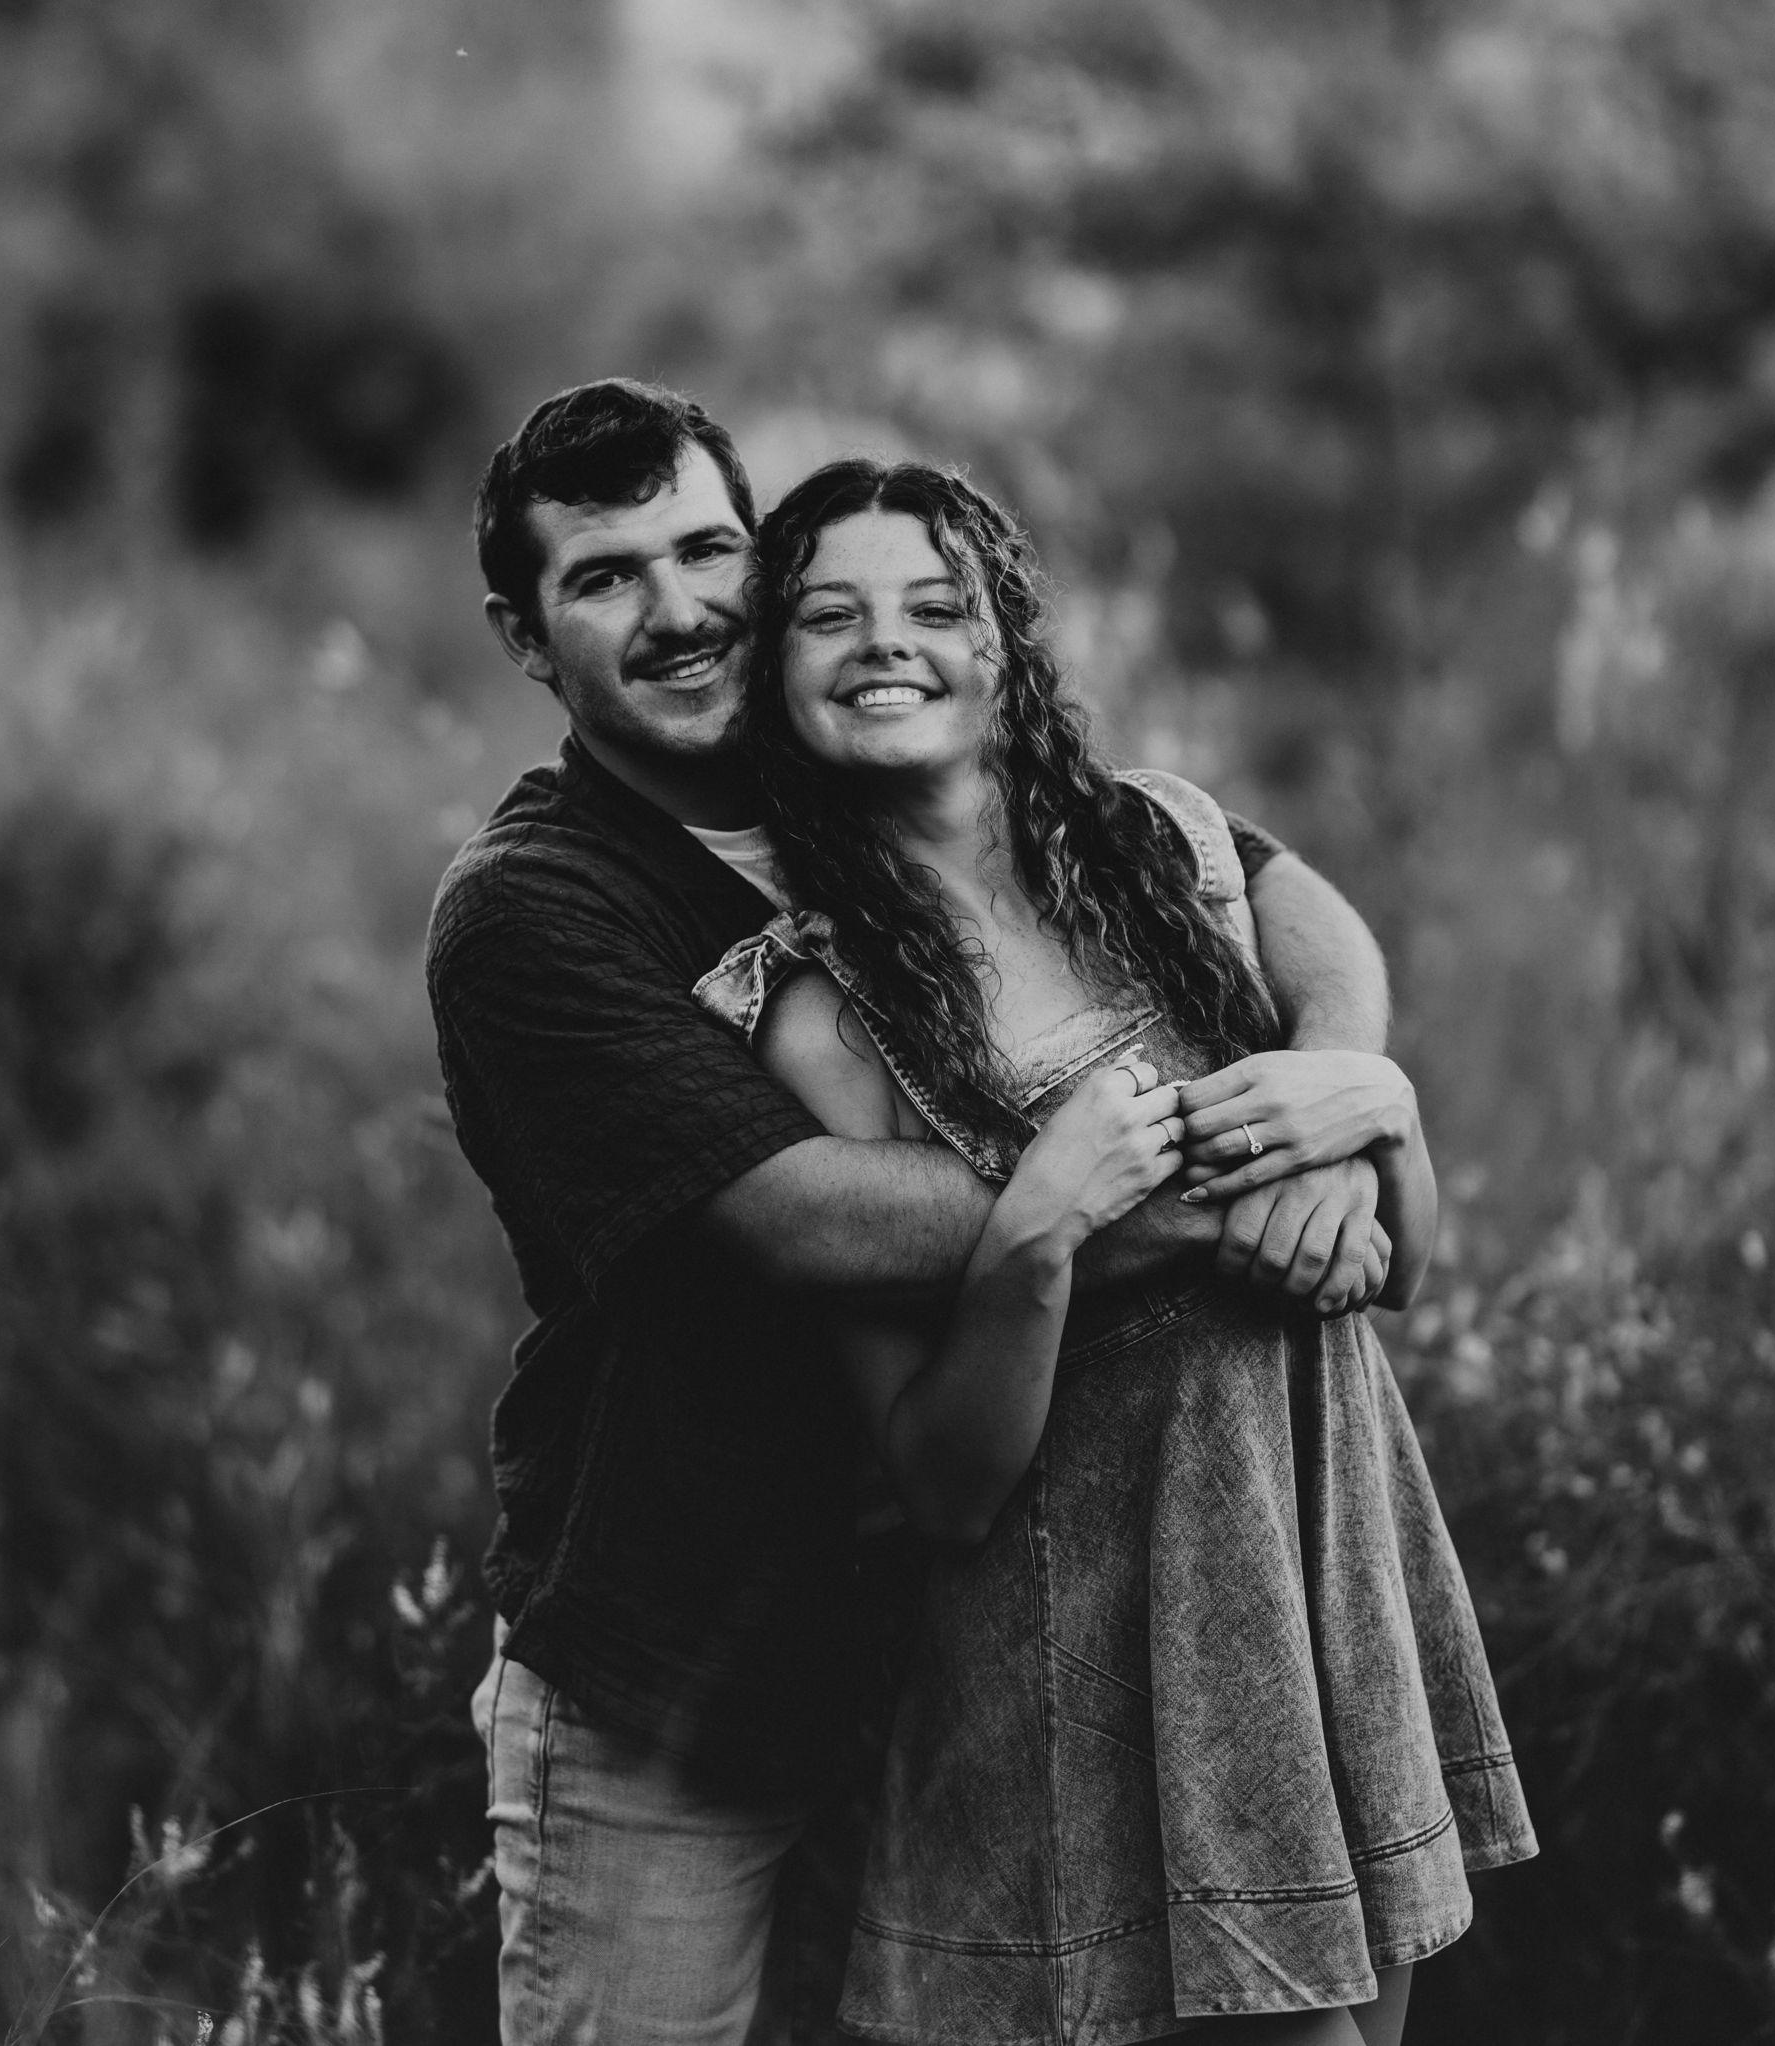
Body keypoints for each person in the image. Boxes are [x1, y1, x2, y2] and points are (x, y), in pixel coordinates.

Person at [427, 377, 1410, 2046]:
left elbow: (1264, 888)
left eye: (708, 549)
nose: (680, 609)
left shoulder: (864, 755)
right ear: (527, 636)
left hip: (969, 1631)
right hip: (689, 1666)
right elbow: (812, 1219)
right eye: (605, 577)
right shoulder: (535, 909)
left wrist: (1333, 1089)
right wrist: (1225, 1188)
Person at [695, 458, 1537, 2045]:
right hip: (1102, 1648)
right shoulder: (820, 1011)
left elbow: (1401, 1269)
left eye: (936, 604)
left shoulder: (1170, 849)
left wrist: (1374, 1109)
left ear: (1004, 642)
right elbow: (941, 1481)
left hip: (1323, 1558)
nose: (888, 642)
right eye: (830, 615)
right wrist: (1037, 1230)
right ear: (777, 671)